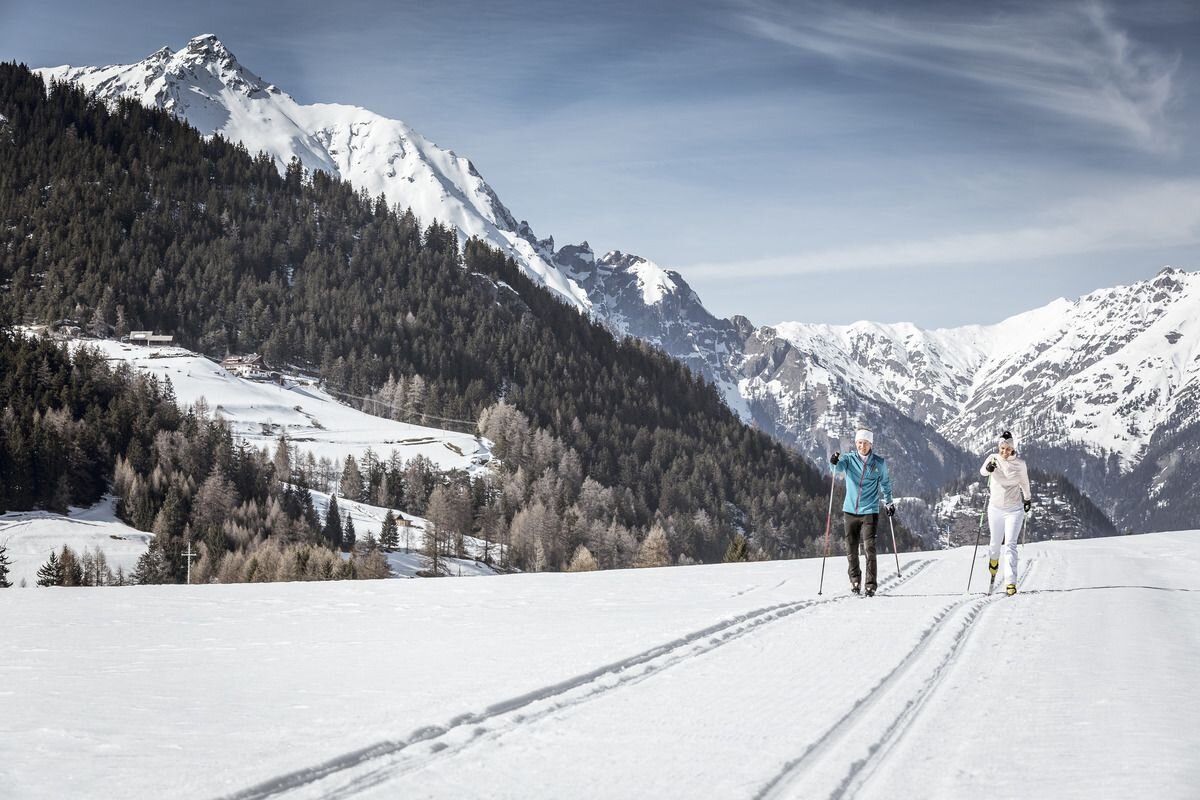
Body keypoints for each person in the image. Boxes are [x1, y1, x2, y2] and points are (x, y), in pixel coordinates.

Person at [830, 427, 894, 596]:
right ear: (856, 443)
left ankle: (870, 585)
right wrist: (833, 462)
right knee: (851, 548)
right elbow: (837, 468)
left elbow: (885, 483)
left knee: (869, 548)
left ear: (870, 444)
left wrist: (889, 502)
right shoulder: (849, 459)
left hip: (869, 511)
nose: (862, 446)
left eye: (865, 443)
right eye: (859, 442)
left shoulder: (879, 463)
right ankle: (855, 580)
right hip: (850, 510)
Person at [981, 431, 1032, 596]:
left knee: (1010, 545)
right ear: (999, 447)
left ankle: (1010, 583)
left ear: (1013, 449)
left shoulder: (1020, 464)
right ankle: (993, 564)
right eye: (1002, 448)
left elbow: (1024, 482)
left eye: (1008, 448)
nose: (1005, 451)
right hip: (995, 508)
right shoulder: (993, 459)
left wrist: (1027, 499)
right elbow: (983, 472)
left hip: (1014, 510)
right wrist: (988, 468)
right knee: (995, 544)